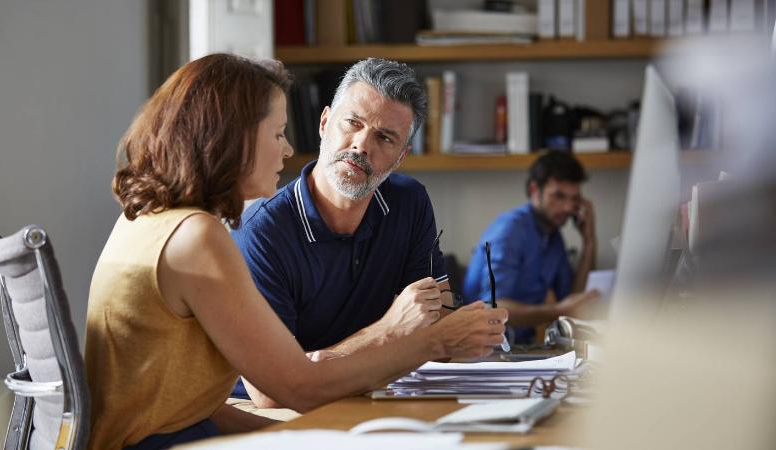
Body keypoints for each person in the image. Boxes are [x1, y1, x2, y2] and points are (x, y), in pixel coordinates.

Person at [83, 53, 507, 450]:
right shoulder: (197, 237)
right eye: (278, 133)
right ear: (233, 138)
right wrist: (431, 342)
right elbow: (296, 387)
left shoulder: (148, 221)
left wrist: (312, 433)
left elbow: (187, 406)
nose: (287, 149)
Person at [230, 58, 467, 407]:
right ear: (325, 123)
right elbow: (270, 393)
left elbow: (440, 323)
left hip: (373, 396)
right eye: (352, 123)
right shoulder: (261, 234)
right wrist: (389, 331)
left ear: (401, 156)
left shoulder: (409, 202)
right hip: (280, 417)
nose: (361, 146)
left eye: (384, 137)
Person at [462, 151, 599, 345]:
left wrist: (589, 240)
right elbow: (491, 308)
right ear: (535, 190)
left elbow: (574, 300)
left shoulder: (553, 237)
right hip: (482, 349)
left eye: (575, 199)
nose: (569, 207)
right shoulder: (510, 231)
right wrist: (558, 311)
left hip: (520, 347)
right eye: (559, 196)